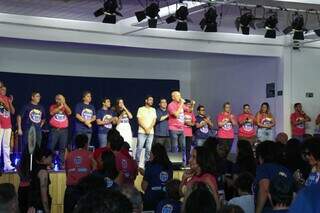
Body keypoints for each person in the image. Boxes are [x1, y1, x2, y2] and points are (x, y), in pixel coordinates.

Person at [254, 141, 292, 213]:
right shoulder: (285, 169)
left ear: (261, 155)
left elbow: (264, 189)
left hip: (269, 209)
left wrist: (257, 211)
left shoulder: (264, 168)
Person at [64, 134, 95, 213]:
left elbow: (67, 172)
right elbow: (95, 169)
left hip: (70, 189)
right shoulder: (89, 155)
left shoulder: (69, 155)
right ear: (86, 144)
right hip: (84, 189)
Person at [140, 143, 173, 211]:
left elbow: (144, 186)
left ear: (154, 154)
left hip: (151, 201)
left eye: (151, 153)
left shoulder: (150, 165)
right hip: (166, 202)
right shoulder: (169, 165)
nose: (150, 155)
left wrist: (146, 174)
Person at [48, 94, 72, 169]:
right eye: (60, 99)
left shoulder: (65, 106)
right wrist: (60, 107)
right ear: (56, 100)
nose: (61, 100)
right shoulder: (53, 106)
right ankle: (50, 163)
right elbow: (52, 113)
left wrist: (64, 104)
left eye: (62, 99)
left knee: (62, 147)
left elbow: (69, 112)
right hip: (55, 130)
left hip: (64, 131)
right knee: (51, 147)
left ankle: (61, 164)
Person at [28, 148, 53, 213]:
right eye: (50, 157)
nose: (51, 159)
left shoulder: (33, 168)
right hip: (39, 207)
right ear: (44, 158)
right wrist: (47, 211)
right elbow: (43, 195)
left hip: (31, 205)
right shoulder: (43, 172)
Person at [168, 91, 188, 165]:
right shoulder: (170, 105)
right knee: (175, 147)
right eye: (178, 95)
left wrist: (192, 104)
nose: (180, 97)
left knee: (183, 146)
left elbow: (189, 110)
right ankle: (175, 164)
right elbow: (176, 114)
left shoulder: (180, 104)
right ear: (173, 97)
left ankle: (183, 164)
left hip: (181, 129)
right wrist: (182, 103)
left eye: (180, 95)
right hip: (173, 129)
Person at [136, 95, 157, 164]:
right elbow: (139, 121)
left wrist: (149, 128)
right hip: (142, 132)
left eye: (152, 100)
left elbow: (154, 120)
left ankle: (147, 164)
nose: (151, 101)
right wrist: (145, 128)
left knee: (148, 149)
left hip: (151, 132)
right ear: (146, 101)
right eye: (150, 100)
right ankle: (136, 164)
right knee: (139, 148)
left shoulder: (153, 110)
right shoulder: (141, 109)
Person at [0, 86, 15, 171]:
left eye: (5, 90)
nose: (4, 91)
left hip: (8, 125)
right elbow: (5, 107)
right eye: (2, 89)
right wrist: (7, 102)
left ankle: (7, 165)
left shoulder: (7, 99)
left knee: (6, 146)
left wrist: (11, 103)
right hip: (0, 125)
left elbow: (12, 112)